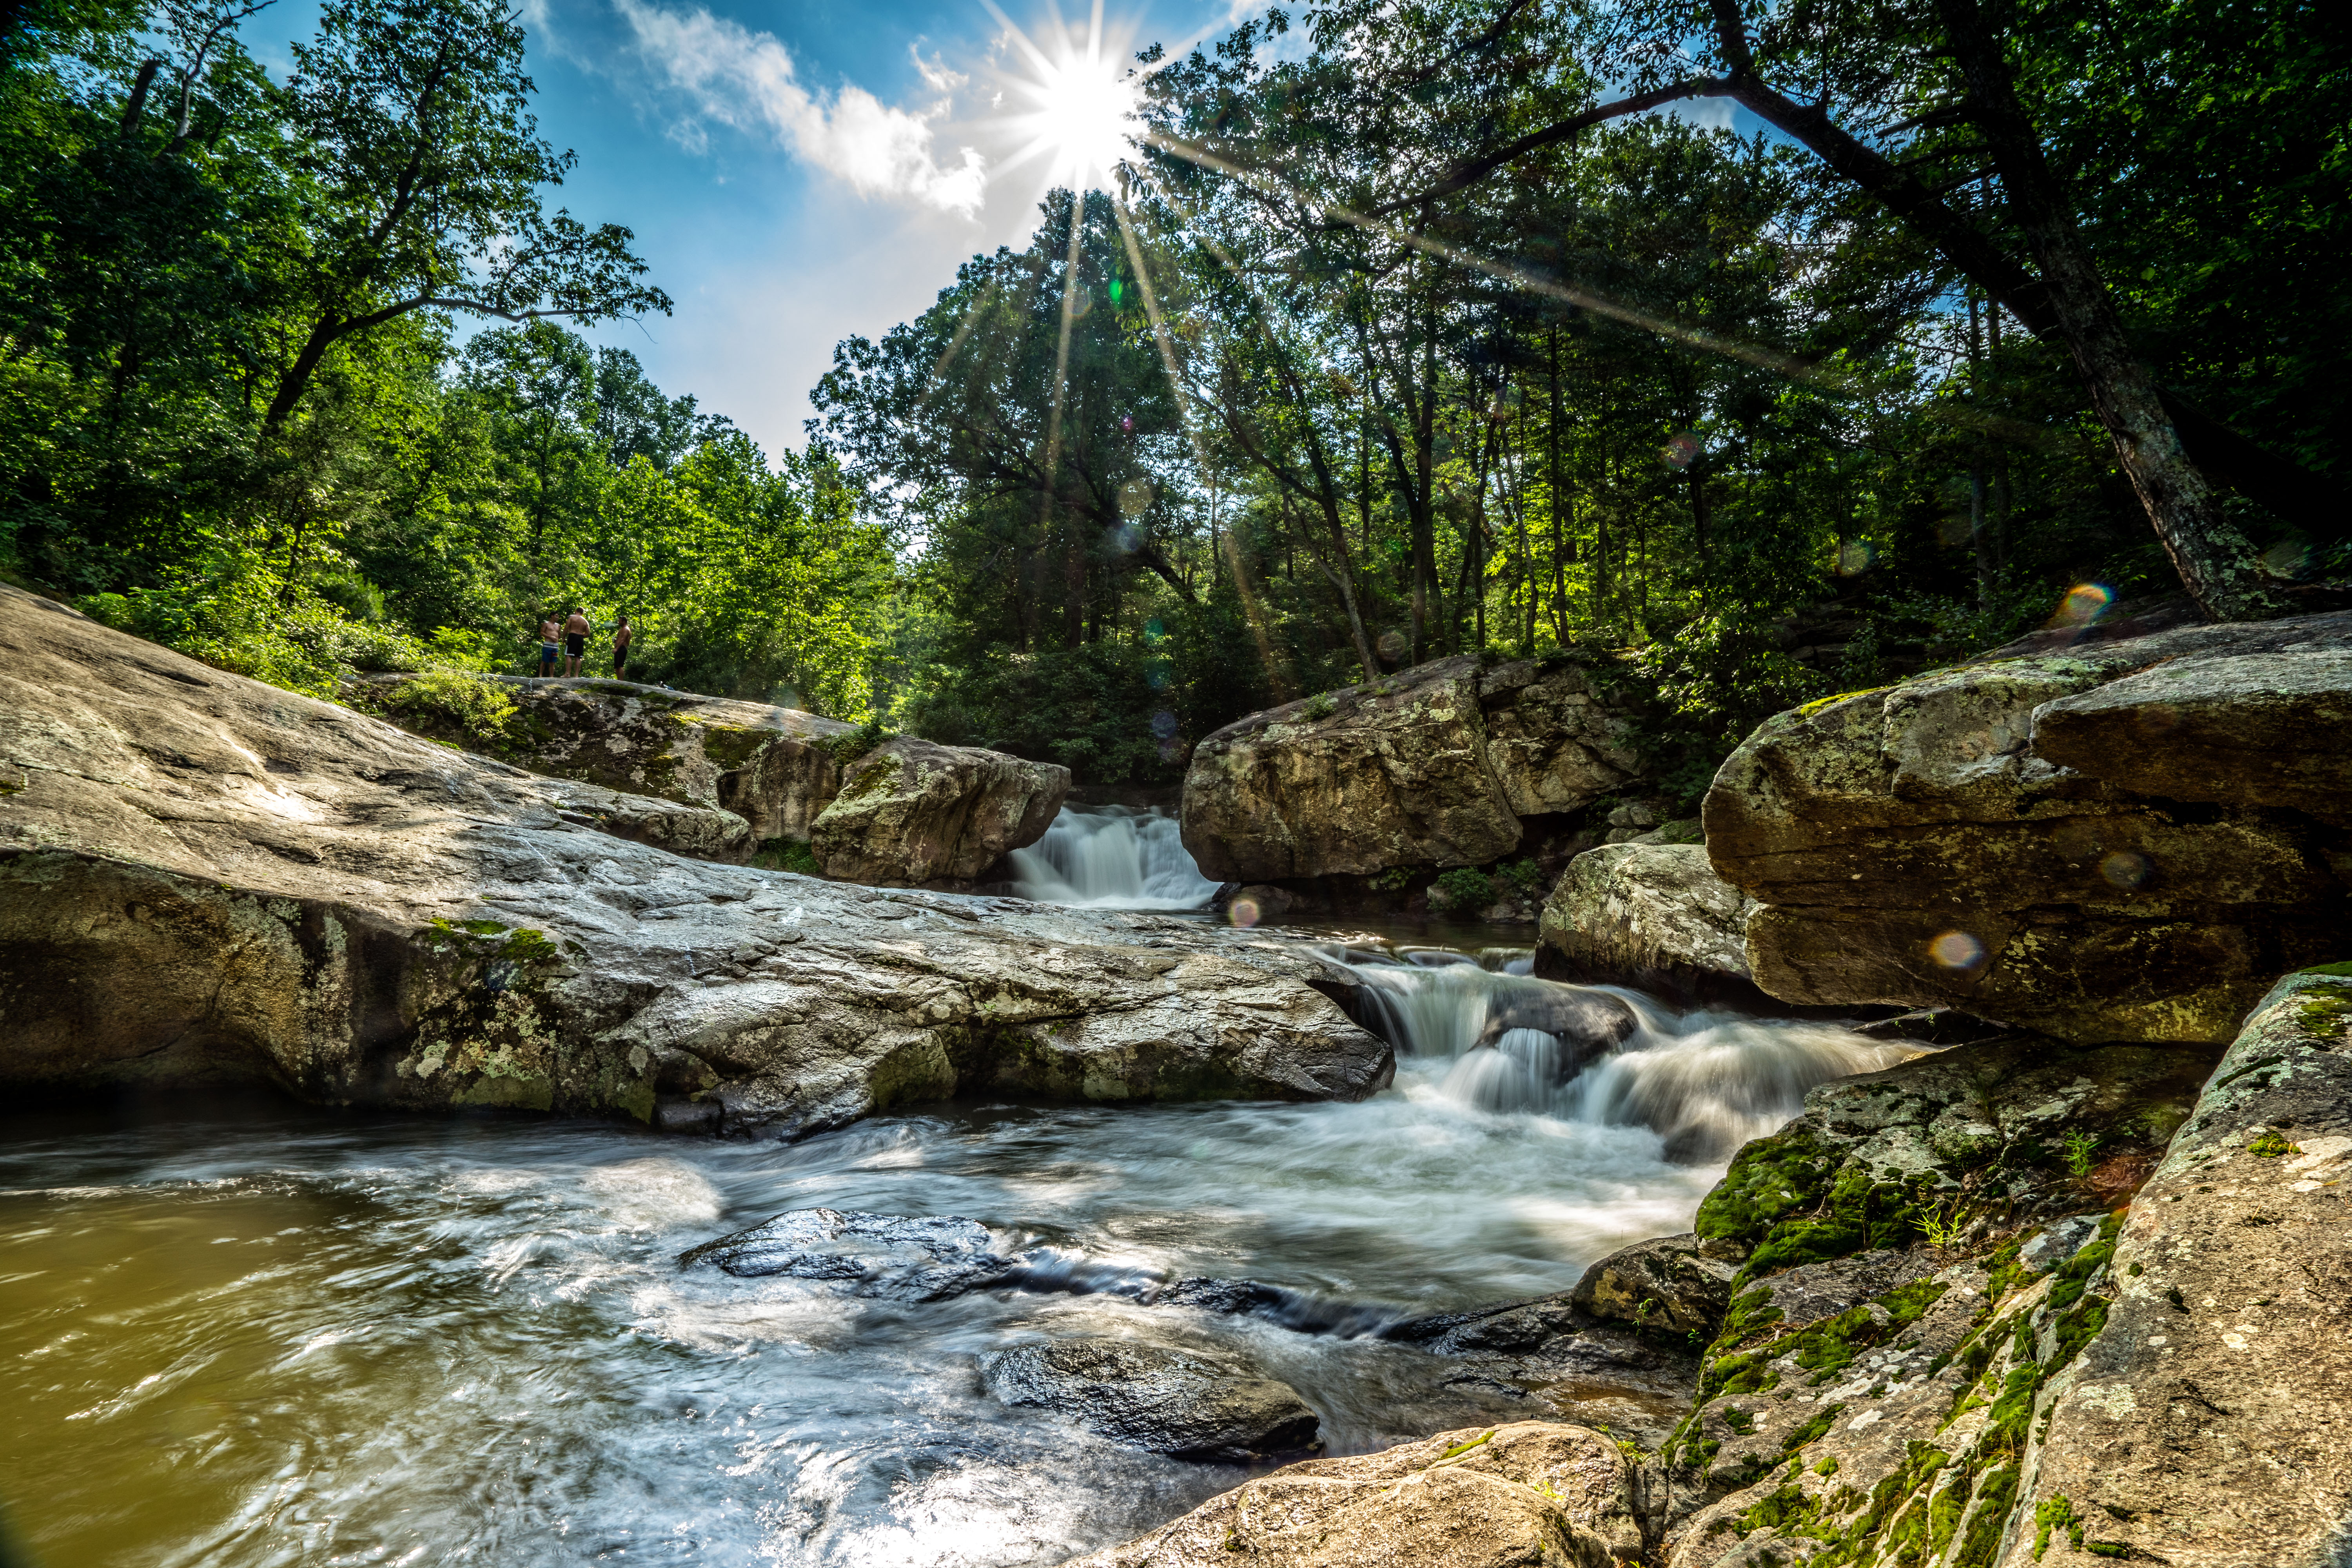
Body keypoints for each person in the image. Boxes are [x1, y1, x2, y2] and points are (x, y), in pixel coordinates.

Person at [562, 607, 590, 677]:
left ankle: (568, 673)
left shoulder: (572, 618)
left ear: (576, 611)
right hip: (581, 638)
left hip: (572, 636)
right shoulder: (585, 621)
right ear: (582, 613)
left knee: (569, 655)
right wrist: (581, 636)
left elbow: (566, 628)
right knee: (578, 657)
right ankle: (577, 675)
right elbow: (588, 634)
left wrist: (563, 637)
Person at [537, 612, 560, 679]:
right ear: (552, 616)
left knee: (553, 662)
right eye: (556, 616)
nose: (558, 617)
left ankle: (551, 676)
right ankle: (540, 675)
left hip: (555, 646)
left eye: (558, 616)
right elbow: (542, 633)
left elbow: (559, 634)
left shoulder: (558, 625)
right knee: (544, 661)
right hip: (548, 645)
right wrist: (551, 637)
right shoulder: (546, 623)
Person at [612, 613, 634, 680]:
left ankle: (621, 681)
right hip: (619, 648)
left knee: (620, 666)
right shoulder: (622, 629)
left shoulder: (626, 629)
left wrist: (617, 649)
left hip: (622, 648)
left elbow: (623, 640)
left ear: (624, 622)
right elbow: (620, 639)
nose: (619, 623)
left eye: (620, 621)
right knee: (616, 667)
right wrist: (616, 641)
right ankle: (619, 681)